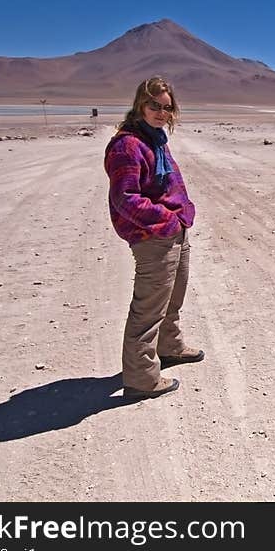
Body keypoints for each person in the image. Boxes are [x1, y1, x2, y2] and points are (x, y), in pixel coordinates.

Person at [104, 77, 203, 399]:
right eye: (154, 106)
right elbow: (125, 197)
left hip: (174, 229)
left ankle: (169, 347)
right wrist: (165, 220)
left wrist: (182, 213)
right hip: (153, 236)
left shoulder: (156, 140)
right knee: (148, 309)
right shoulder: (127, 145)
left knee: (173, 298)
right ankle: (141, 379)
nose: (161, 113)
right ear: (140, 106)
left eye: (167, 107)